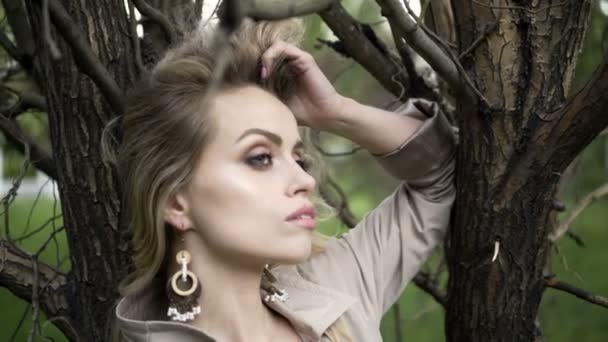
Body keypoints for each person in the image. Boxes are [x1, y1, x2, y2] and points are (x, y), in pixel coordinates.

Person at [110, 18, 456, 342]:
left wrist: (336, 112)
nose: (305, 180)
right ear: (175, 201)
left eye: (299, 157)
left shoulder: (332, 291)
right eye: (260, 158)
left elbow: (439, 170)